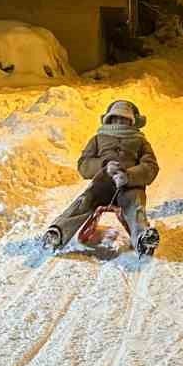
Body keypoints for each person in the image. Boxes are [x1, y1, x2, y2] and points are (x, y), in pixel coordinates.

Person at [42, 100, 161, 256]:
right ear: (109, 119)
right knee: (84, 201)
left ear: (132, 122)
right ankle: (58, 232)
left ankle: (143, 239)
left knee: (135, 206)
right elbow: (83, 165)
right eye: (116, 118)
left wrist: (129, 176)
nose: (120, 122)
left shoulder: (140, 141)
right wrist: (103, 165)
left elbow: (151, 167)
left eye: (124, 119)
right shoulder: (98, 139)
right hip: (102, 185)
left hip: (129, 187)